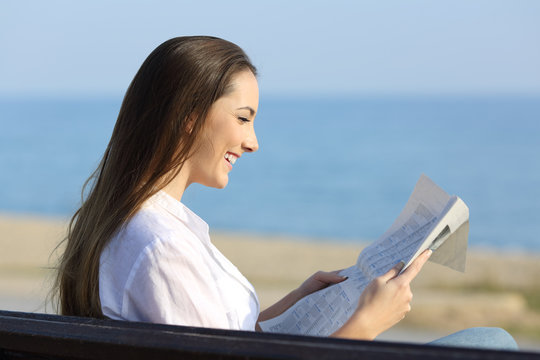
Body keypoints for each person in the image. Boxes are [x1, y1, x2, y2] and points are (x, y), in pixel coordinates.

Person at [54, 36, 517, 349]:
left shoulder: (141, 225)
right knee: (492, 345)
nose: (253, 141)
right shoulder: (159, 245)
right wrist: (365, 324)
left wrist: (295, 302)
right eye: (242, 117)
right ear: (188, 116)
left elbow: (210, 337)